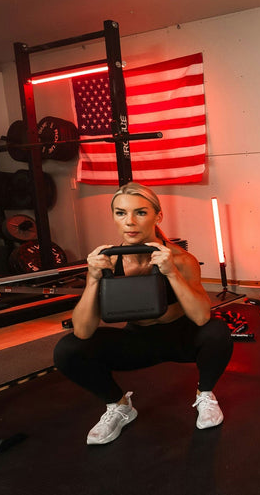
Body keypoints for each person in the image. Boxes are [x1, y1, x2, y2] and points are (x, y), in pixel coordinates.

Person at [54, 182, 233, 445]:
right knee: (67, 350)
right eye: (120, 213)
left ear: (157, 216)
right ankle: (120, 406)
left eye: (140, 212)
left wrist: (170, 272)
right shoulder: (108, 262)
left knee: (217, 332)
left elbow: (201, 317)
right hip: (137, 342)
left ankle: (204, 394)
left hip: (182, 338)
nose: (129, 222)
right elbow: (82, 331)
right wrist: (92, 279)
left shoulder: (181, 260)